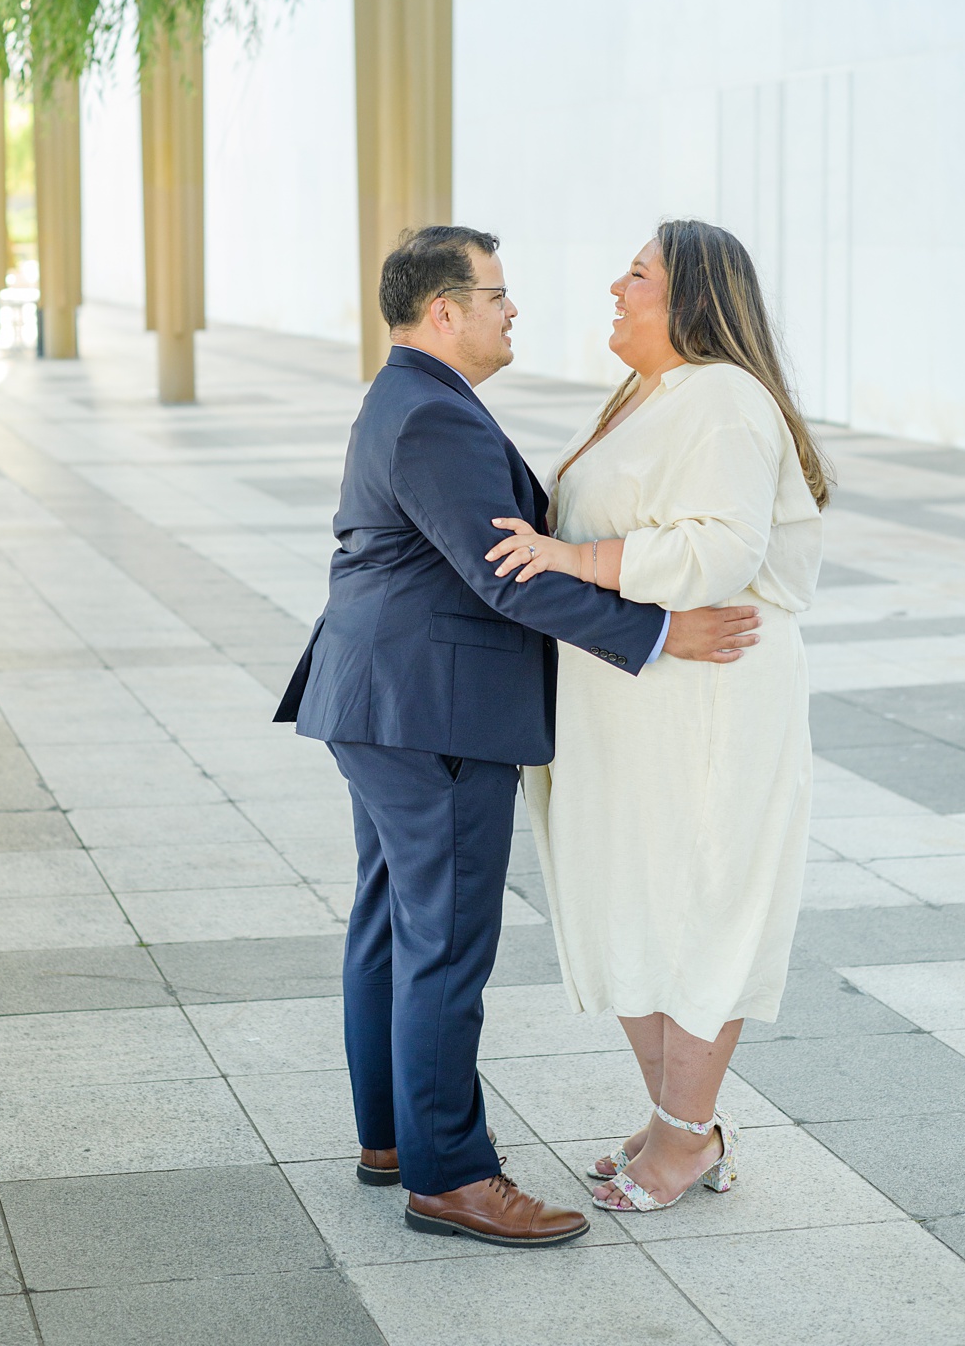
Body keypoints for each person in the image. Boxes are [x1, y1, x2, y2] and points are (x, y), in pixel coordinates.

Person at [275, 226, 761, 1247]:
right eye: (497, 295)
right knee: (445, 942)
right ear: (444, 310)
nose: (512, 310)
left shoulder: (414, 399)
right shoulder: (433, 416)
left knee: (393, 928)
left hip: (386, 701)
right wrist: (664, 630)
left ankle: (395, 1140)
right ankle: (450, 1174)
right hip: (430, 708)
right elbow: (506, 572)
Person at [490, 222, 828, 1213]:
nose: (615, 285)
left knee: (698, 910)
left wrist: (573, 561)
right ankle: (681, 1121)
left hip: (706, 709)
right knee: (630, 904)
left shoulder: (723, 397)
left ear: (692, 300)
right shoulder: (653, 395)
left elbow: (721, 551)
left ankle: (685, 1142)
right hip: (636, 708)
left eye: (636, 274)